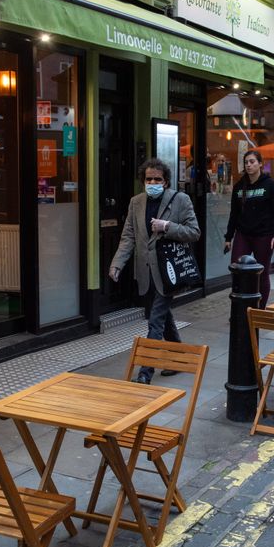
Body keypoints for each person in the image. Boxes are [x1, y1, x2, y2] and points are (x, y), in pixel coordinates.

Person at [110, 158, 200, 383]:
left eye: (157, 179)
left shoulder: (181, 200)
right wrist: (117, 263)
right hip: (145, 272)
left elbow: (194, 232)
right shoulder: (136, 202)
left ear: (166, 182)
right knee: (162, 315)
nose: (152, 182)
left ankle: (145, 372)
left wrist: (167, 227)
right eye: (148, 179)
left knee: (155, 320)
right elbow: (128, 236)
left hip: (168, 270)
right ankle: (178, 357)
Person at [224, 150, 274, 308]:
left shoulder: (271, 185)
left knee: (261, 274)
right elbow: (234, 214)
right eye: (246, 162)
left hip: (264, 235)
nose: (249, 165)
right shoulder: (239, 187)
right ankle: (239, 309)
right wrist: (228, 237)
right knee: (237, 270)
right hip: (243, 234)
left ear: (260, 164)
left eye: (252, 162)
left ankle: (259, 310)